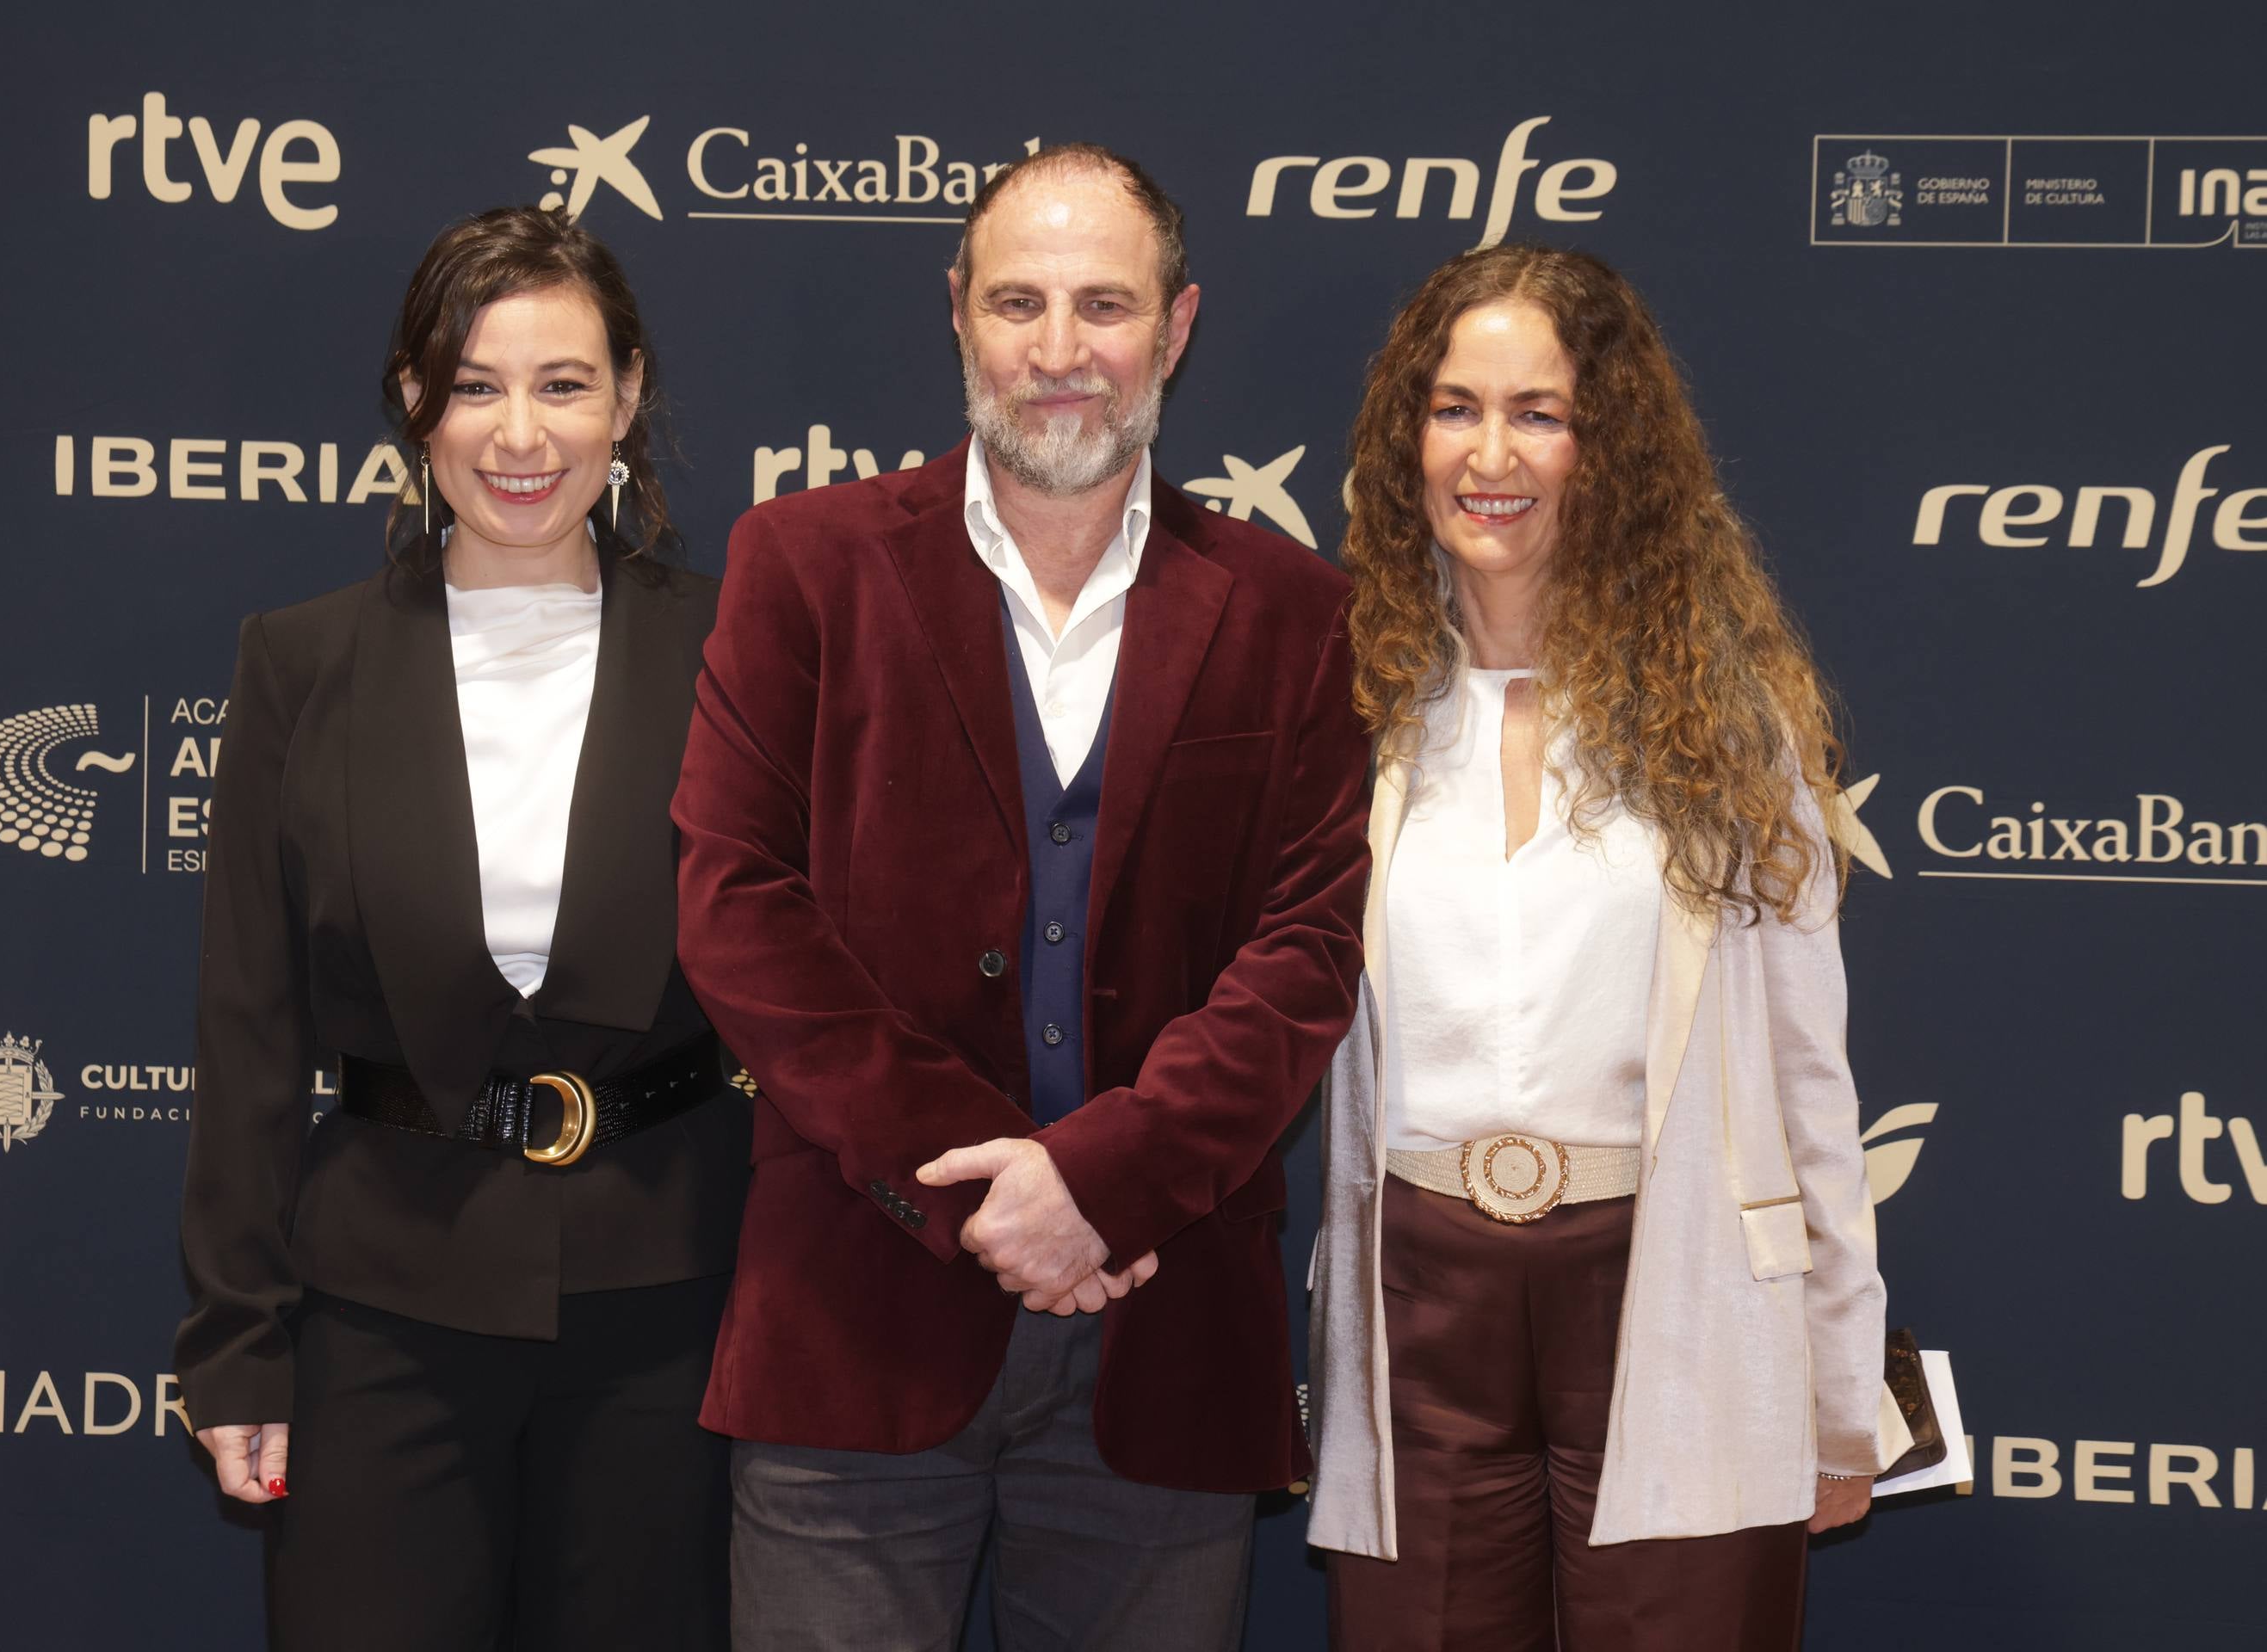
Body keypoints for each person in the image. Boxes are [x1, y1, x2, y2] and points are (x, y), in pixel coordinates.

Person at [671, 143, 1372, 1652]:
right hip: (852, 1317)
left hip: (1168, 1333)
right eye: (1019, 303)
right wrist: (989, 1192)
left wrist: (1104, 1184)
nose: (1060, 352)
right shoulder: (802, 565)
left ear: (1176, 327)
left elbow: (1306, 952)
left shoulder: (1299, 615)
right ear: (958, 317)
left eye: (1103, 305)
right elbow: (738, 905)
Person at [1306, 244, 1910, 1650]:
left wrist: (1837, 1388)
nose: (1488, 454)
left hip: (1676, 1281)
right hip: (1417, 1300)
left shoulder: (1726, 721)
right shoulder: (1345, 709)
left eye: (1540, 412)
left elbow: (1807, 1078)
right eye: (1453, 408)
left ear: (1609, 446)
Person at [173, 206, 748, 1650]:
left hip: (669, 1302)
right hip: (377, 1304)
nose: (519, 434)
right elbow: (248, 1026)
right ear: (414, 401)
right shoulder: (300, 662)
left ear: (627, 400)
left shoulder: (736, 646)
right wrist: (237, 1343)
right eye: (475, 384)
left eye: (562, 384)